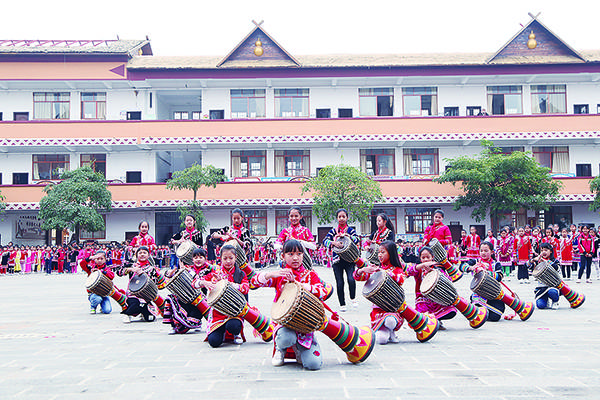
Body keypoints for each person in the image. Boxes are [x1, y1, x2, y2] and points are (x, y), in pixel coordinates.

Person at [251, 239, 328, 370]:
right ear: (283, 256)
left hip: (305, 325)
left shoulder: (310, 275)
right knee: (286, 337)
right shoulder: (280, 275)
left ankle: (299, 349)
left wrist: (302, 285)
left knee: (313, 364)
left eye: (299, 254)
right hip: (285, 324)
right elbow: (253, 282)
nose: (295, 258)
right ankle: (280, 349)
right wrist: (270, 274)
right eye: (290, 254)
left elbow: (323, 292)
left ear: (304, 255)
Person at [194, 244, 248, 347]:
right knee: (214, 342)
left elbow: (246, 288)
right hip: (218, 314)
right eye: (225, 258)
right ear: (220, 258)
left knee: (234, 326)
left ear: (236, 258)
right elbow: (194, 284)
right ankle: (221, 332)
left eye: (231, 258)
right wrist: (202, 283)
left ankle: (236, 334)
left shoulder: (240, 274)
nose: (228, 261)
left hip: (234, 313)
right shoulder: (215, 272)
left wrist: (229, 284)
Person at [353, 241, 405, 344]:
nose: (380, 255)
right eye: (379, 252)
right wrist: (363, 270)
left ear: (391, 253)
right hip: (378, 310)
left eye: (383, 252)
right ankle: (386, 331)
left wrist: (383, 272)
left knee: (390, 321)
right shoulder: (376, 268)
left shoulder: (396, 269)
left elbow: (400, 279)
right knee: (381, 340)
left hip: (392, 308)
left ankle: (391, 331)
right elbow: (357, 277)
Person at [163, 248, 214, 334]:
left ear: (205, 259)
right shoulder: (188, 268)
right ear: (192, 259)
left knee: (188, 323)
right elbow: (169, 274)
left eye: (201, 257)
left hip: (199, 300)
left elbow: (200, 280)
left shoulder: (208, 270)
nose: (198, 259)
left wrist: (188, 271)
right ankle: (174, 325)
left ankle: (196, 323)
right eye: (195, 257)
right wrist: (171, 272)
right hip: (186, 298)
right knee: (171, 298)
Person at [405, 246, 457, 330]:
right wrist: (422, 265)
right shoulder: (418, 269)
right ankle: (432, 322)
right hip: (422, 300)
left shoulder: (437, 269)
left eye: (428, 257)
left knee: (451, 310)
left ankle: (437, 320)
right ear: (420, 259)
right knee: (420, 316)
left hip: (436, 299)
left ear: (432, 258)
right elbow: (408, 272)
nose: (425, 259)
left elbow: (449, 280)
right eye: (423, 257)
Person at [323, 208, 360, 312]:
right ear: (337, 218)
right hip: (337, 261)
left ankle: (352, 297)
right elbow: (324, 241)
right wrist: (333, 243)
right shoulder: (333, 231)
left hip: (349, 259)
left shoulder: (351, 230)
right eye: (339, 217)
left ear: (347, 218)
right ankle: (342, 304)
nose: (341, 218)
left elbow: (357, 239)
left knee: (351, 279)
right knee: (340, 283)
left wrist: (349, 237)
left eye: (343, 216)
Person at [116, 246, 165, 322]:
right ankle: (127, 314)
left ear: (148, 255)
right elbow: (118, 272)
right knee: (135, 304)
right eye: (140, 253)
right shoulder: (132, 266)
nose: (142, 254)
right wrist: (130, 269)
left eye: (144, 253)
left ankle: (143, 311)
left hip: (146, 296)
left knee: (150, 318)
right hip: (133, 294)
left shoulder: (152, 269)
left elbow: (161, 282)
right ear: (136, 255)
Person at [462, 241, 505, 321]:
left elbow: (499, 277)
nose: (483, 253)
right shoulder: (476, 262)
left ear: (492, 252)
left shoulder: (496, 264)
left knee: (496, 315)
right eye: (481, 251)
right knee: (476, 312)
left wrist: (486, 272)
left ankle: (482, 313)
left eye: (486, 251)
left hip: (493, 293)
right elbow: (462, 266)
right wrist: (470, 268)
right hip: (478, 294)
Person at [529, 243, 560, 309]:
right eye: (542, 250)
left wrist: (545, 261)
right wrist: (533, 260)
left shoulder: (554, 261)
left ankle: (555, 301)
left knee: (552, 292)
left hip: (552, 286)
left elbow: (556, 268)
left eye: (546, 250)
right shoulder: (538, 261)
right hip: (542, 288)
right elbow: (526, 265)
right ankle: (546, 300)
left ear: (551, 251)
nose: (543, 252)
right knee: (540, 305)